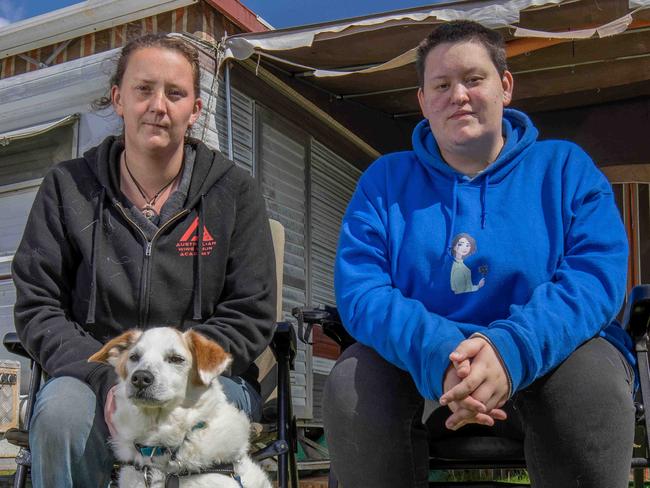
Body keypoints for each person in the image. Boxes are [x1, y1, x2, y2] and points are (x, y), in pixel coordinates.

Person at [324, 20, 635, 488]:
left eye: (473, 79)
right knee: (352, 382)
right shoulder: (384, 182)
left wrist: (510, 350)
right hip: (425, 375)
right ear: (423, 102)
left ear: (505, 86)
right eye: (442, 85)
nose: (459, 96)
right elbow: (362, 290)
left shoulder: (565, 169)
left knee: (591, 378)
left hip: (546, 363)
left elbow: (596, 277)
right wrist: (441, 354)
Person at [11, 33, 276, 488]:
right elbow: (38, 304)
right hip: (94, 375)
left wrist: (178, 370)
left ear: (195, 109)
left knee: (203, 427)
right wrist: (107, 378)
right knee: (60, 414)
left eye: (175, 93)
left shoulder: (235, 192)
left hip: (200, 378)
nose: (158, 105)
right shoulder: (66, 188)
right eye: (143, 89)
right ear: (117, 98)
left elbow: (251, 308)